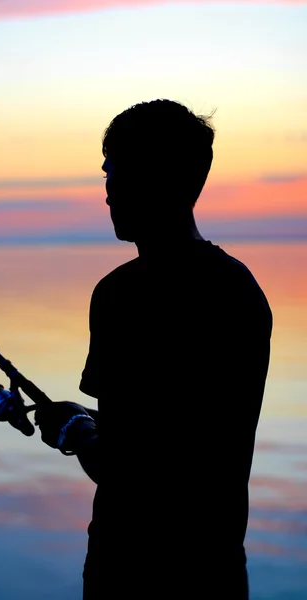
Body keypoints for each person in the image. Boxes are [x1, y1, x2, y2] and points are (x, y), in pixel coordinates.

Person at [35, 99, 273, 600]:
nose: (107, 193)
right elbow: (175, 438)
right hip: (216, 568)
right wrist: (89, 423)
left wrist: (76, 430)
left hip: (127, 570)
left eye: (114, 173)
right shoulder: (239, 290)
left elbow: (134, 470)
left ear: (155, 177)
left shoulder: (121, 295)